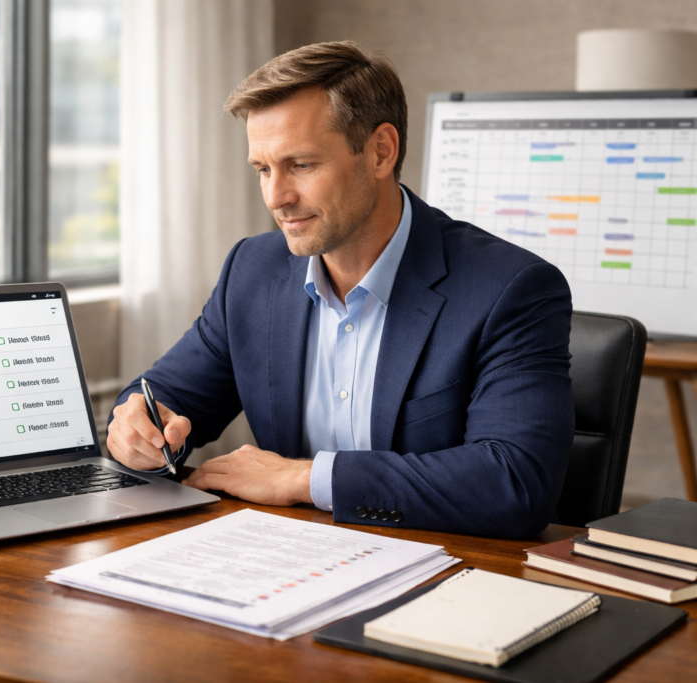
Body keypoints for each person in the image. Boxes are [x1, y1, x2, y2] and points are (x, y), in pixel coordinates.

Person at [106, 41, 574, 539]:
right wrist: (137, 428)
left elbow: (515, 484)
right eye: (263, 169)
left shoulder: (510, 288)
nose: (277, 197)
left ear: (380, 151)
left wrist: (304, 479)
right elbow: (166, 397)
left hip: (445, 577)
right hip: (286, 564)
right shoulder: (253, 271)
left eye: (301, 165)